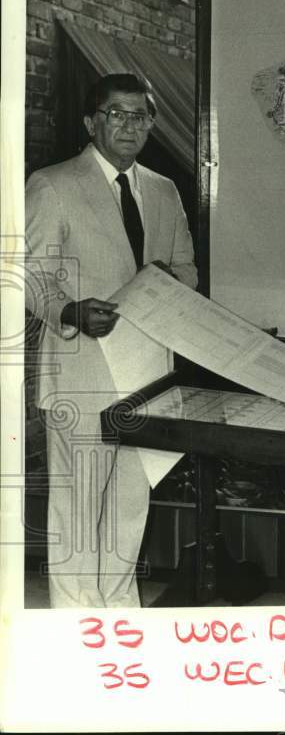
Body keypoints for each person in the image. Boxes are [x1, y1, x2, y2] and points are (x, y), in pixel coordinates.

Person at [25, 73, 197, 607]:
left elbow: (189, 270)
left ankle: (120, 620)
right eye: (116, 114)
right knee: (77, 512)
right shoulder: (52, 184)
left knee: (128, 505)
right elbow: (29, 277)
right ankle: (73, 633)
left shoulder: (164, 190)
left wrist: (169, 281)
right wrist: (69, 309)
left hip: (146, 374)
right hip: (82, 373)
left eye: (140, 115)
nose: (129, 125)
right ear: (91, 122)